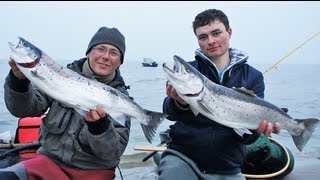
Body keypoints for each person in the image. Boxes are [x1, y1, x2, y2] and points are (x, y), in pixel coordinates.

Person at [158, 9, 282, 180]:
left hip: (227, 165)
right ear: (198, 40)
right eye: (203, 37)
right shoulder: (192, 69)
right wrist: (180, 102)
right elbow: (169, 112)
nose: (211, 41)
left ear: (229, 32)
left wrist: (257, 130)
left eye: (216, 33)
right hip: (183, 157)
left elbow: (247, 138)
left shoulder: (253, 76)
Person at [0, 26, 130, 180]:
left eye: (114, 52)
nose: (105, 56)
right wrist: (19, 82)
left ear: (120, 62)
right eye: (100, 49)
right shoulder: (58, 76)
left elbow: (111, 153)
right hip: (48, 163)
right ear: (89, 52)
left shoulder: (122, 103)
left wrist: (98, 127)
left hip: (93, 171)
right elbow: (23, 110)